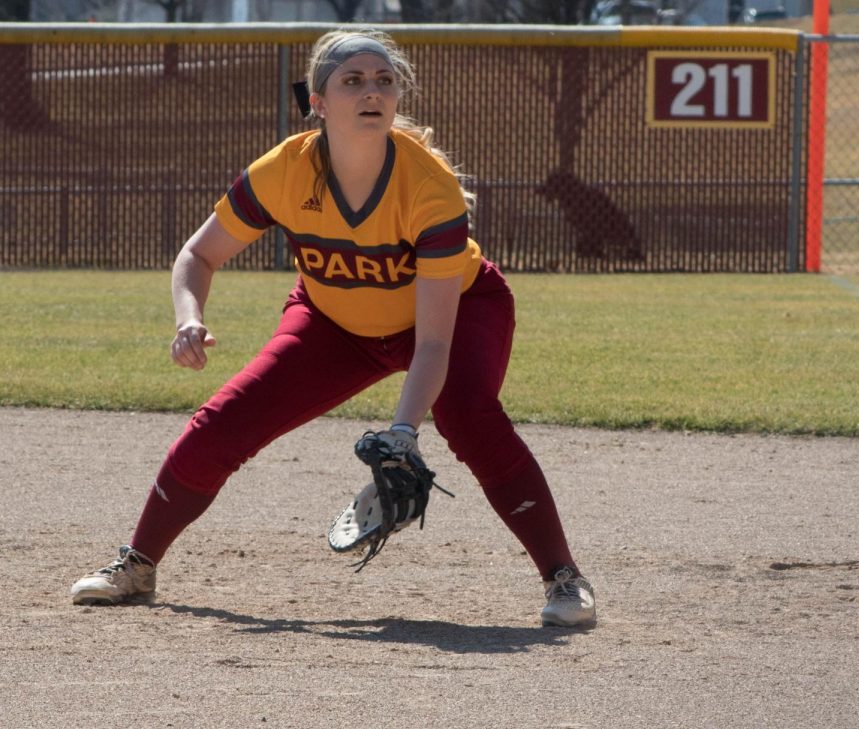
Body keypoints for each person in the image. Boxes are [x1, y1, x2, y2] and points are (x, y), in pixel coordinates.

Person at [70, 28, 596, 628]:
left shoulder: (429, 188)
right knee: (224, 422)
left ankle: (564, 577)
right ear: (317, 103)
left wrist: (404, 431)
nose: (372, 92)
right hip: (332, 320)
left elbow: (432, 341)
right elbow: (198, 255)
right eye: (353, 81)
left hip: (455, 310)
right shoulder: (286, 170)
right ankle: (137, 565)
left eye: (384, 81)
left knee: (471, 418)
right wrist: (189, 318)